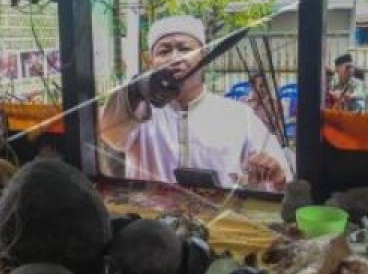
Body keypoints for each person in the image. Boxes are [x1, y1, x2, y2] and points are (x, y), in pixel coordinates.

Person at [100, 15, 291, 191]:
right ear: (150, 61)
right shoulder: (138, 112)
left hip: (219, 216)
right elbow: (109, 133)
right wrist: (135, 90)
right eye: (164, 51)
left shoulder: (238, 115)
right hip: (149, 216)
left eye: (185, 49)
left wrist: (276, 172)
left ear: (204, 56)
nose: (175, 58)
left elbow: (284, 175)